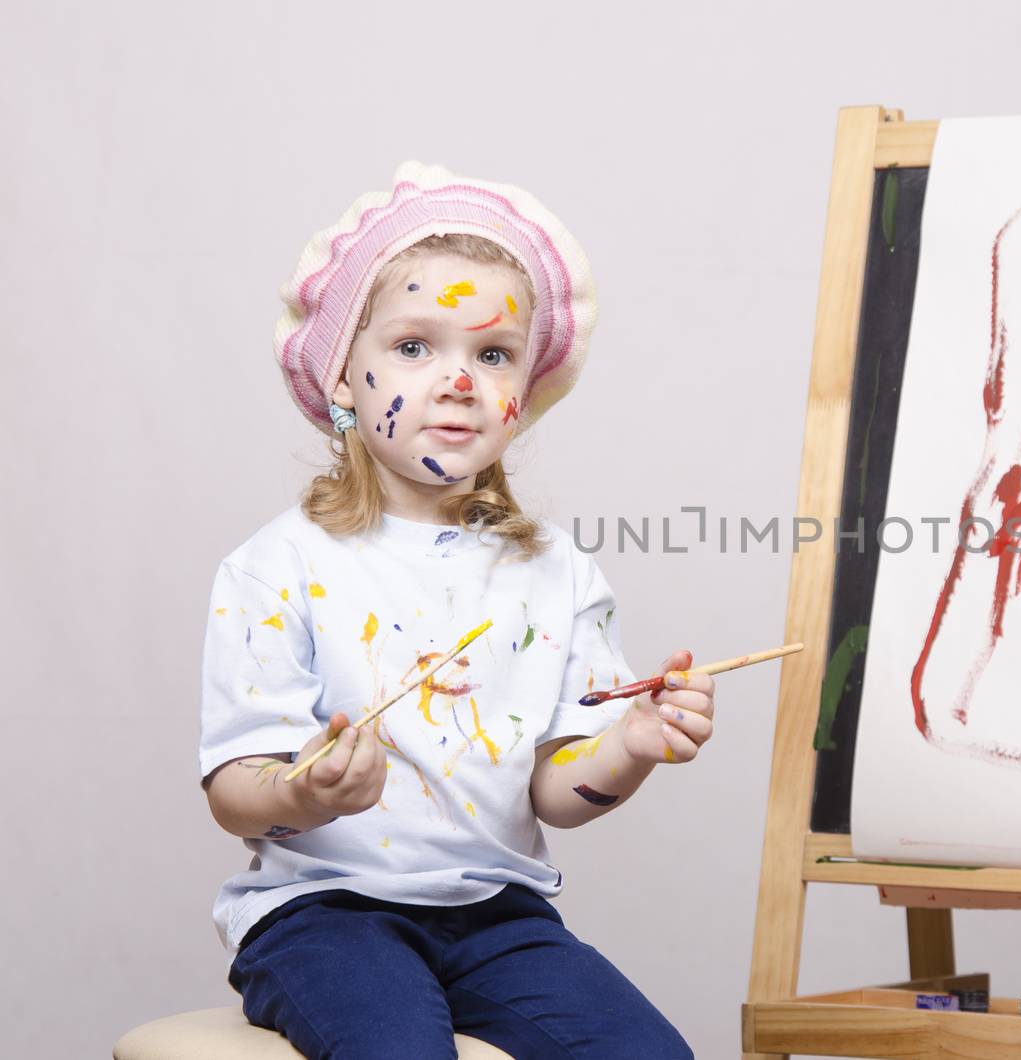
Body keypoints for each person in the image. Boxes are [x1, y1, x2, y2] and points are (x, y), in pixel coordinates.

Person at [198, 162, 704, 1059]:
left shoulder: (556, 574)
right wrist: (303, 794)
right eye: (415, 346)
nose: (460, 379)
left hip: (497, 915)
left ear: (522, 398)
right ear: (342, 379)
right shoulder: (277, 566)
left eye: (493, 354)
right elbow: (236, 800)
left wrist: (628, 747)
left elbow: (556, 790)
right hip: (320, 913)